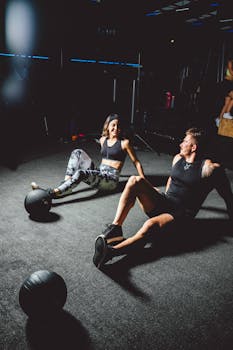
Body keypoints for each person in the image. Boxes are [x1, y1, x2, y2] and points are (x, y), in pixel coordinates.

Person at [93, 127, 233, 269]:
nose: (181, 144)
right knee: (134, 180)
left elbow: (228, 197)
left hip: (181, 215)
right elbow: (171, 180)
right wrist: (159, 196)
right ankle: (116, 227)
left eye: (185, 142)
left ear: (194, 147)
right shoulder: (178, 158)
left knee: (149, 225)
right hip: (166, 203)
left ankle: (111, 252)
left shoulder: (210, 169)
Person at [31, 113, 145, 198]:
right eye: (113, 125)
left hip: (110, 181)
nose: (115, 128)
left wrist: (145, 183)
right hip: (100, 173)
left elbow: (136, 162)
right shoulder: (102, 140)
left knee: (81, 173)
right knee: (77, 152)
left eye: (118, 126)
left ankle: (53, 193)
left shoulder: (125, 143)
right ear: (108, 126)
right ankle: (65, 185)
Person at [216, 58, 233, 126]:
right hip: (227, 84)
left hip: (230, 83)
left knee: (227, 103)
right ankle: (226, 113)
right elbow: (230, 71)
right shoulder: (230, 61)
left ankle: (219, 119)